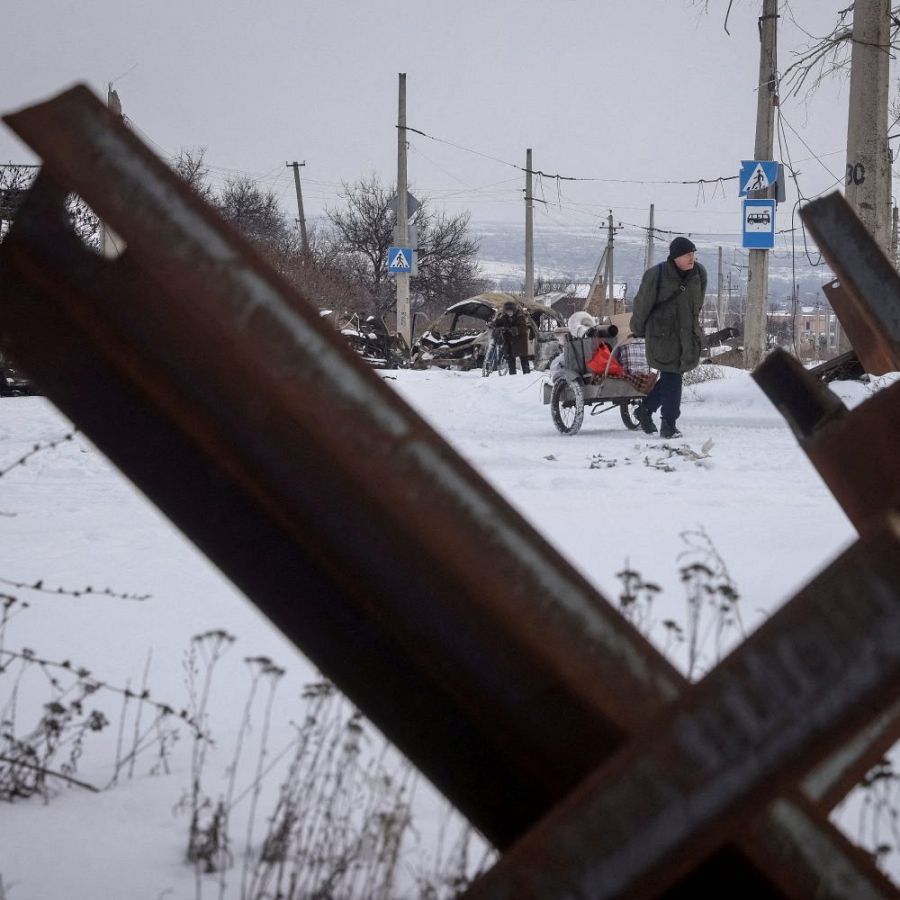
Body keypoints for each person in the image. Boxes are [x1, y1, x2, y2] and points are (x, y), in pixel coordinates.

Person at [629, 236, 707, 439]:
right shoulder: (657, 275)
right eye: (687, 255)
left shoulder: (699, 273)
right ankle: (669, 425)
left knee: (673, 376)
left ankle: (645, 409)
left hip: (687, 336)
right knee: (673, 376)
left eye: (693, 254)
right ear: (676, 257)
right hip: (662, 335)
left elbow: (696, 305)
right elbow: (642, 304)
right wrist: (637, 329)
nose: (692, 258)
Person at [490, 300, 531, 374]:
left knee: (523, 359)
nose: (509, 312)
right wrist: (493, 324)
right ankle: (512, 376)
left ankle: (527, 375)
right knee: (510, 359)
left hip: (520, 341)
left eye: (510, 310)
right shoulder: (504, 316)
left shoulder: (520, 316)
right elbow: (499, 322)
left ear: (514, 310)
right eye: (507, 311)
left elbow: (524, 328)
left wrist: (516, 329)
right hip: (509, 341)